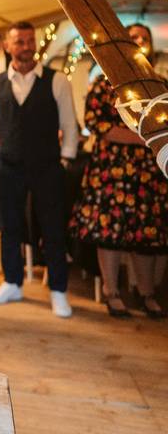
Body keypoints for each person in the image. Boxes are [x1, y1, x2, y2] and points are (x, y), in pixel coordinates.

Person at [70, 22, 168, 319]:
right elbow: (97, 124)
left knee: (146, 236)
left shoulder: (160, 85)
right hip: (111, 171)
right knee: (109, 234)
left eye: (143, 38)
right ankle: (112, 292)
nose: (138, 41)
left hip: (147, 173)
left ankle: (146, 293)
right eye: (133, 37)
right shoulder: (103, 83)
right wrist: (144, 137)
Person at [0, 22, 78, 318]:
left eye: (28, 41)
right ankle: (12, 282)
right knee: (9, 226)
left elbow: (69, 124)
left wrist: (65, 158)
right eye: (18, 42)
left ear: (35, 44)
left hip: (47, 165)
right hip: (6, 164)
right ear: (8, 46)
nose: (25, 46)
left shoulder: (56, 80)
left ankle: (58, 290)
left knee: (52, 229)